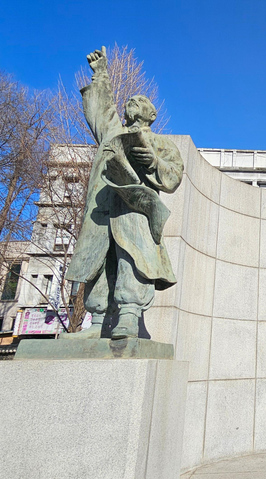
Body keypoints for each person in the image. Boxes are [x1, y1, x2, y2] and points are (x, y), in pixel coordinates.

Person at [63, 46, 183, 340]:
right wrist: (101, 74)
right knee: (99, 261)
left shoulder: (160, 142)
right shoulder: (113, 132)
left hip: (134, 211)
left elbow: (174, 175)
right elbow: (100, 111)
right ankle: (97, 322)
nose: (132, 100)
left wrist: (153, 162)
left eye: (139, 100)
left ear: (151, 114)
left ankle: (129, 315)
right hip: (103, 209)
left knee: (132, 258)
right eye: (130, 99)